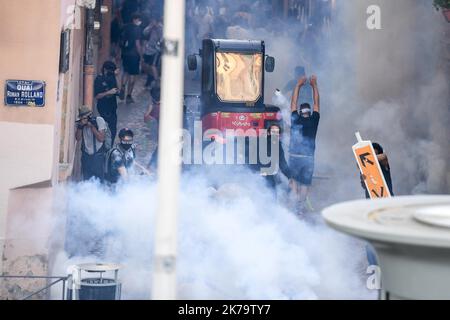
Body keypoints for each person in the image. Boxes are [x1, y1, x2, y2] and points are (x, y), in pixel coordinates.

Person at [289, 75, 320, 215]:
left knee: (294, 181)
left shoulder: (296, 119)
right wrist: (314, 85)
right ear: (310, 112)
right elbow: (317, 104)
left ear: (301, 112)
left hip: (294, 156)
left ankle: (295, 205)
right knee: (305, 183)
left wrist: (298, 85)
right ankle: (300, 206)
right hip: (308, 157)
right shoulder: (314, 120)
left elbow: (293, 103)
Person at [75, 106, 107, 181]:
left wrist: (92, 127)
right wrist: (80, 126)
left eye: (85, 118)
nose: (84, 120)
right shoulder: (81, 124)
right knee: (87, 181)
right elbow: (78, 138)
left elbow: (101, 139)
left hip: (98, 156)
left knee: (99, 181)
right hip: (86, 156)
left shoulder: (99, 120)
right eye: (82, 118)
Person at [261, 125, 293, 198]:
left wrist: (290, 176)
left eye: (277, 132)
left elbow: (282, 163)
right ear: (268, 133)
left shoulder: (278, 144)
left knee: (271, 195)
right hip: (259, 174)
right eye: (273, 132)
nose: (275, 134)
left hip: (268, 174)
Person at [119, 13, 143, 104]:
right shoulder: (137, 30)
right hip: (134, 55)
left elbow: (120, 40)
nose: (139, 22)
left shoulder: (125, 27)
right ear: (134, 20)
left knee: (125, 72)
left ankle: (123, 87)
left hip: (125, 54)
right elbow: (137, 44)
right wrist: (141, 55)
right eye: (138, 20)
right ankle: (128, 96)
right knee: (132, 76)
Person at [95, 61, 119, 143]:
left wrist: (116, 77)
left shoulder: (112, 77)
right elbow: (97, 96)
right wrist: (108, 92)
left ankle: (110, 145)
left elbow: (120, 92)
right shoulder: (99, 79)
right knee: (104, 129)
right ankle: (104, 147)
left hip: (113, 108)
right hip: (104, 108)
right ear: (105, 69)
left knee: (113, 130)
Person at [142, 15, 163, 88]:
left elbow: (162, 39)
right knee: (146, 66)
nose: (152, 22)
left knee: (153, 66)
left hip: (155, 51)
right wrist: (150, 27)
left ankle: (157, 83)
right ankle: (150, 78)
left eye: (153, 21)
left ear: (156, 21)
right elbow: (144, 33)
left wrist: (158, 45)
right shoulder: (151, 27)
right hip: (148, 50)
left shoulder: (161, 28)